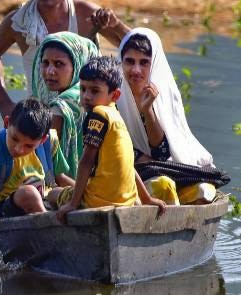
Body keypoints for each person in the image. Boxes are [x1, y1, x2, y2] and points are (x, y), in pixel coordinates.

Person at [0, 0, 130, 118]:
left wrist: (116, 24)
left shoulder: (85, 15)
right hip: (40, 119)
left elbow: (135, 46)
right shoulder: (20, 22)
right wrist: (4, 102)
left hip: (87, 116)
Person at [49, 56, 166, 223]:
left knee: (53, 193)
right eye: (83, 89)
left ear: (115, 95)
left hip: (96, 200)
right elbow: (129, 166)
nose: (86, 96)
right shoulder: (117, 117)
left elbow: (86, 161)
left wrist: (73, 204)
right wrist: (147, 200)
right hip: (126, 202)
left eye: (94, 91)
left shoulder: (98, 114)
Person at [116, 27, 219, 205]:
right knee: (163, 186)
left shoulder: (164, 95)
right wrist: (139, 157)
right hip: (125, 168)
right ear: (121, 62)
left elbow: (161, 153)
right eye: (130, 62)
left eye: (144, 62)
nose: (136, 70)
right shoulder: (112, 93)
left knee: (204, 190)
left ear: (153, 63)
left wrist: (147, 110)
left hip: (164, 167)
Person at [0, 98, 74, 219]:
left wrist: (83, 191)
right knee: (29, 194)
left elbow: (60, 178)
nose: (18, 149)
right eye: (15, 139)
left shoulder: (49, 142)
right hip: (4, 208)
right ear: (6, 123)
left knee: (68, 193)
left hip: (44, 199)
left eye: (29, 146)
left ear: (42, 140)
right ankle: (49, 226)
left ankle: (47, 217)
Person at [32, 31, 99, 178]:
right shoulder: (97, 94)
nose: (50, 71)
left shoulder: (61, 107)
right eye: (45, 63)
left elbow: (47, 161)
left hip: (68, 185)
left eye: (59, 64)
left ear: (77, 65)